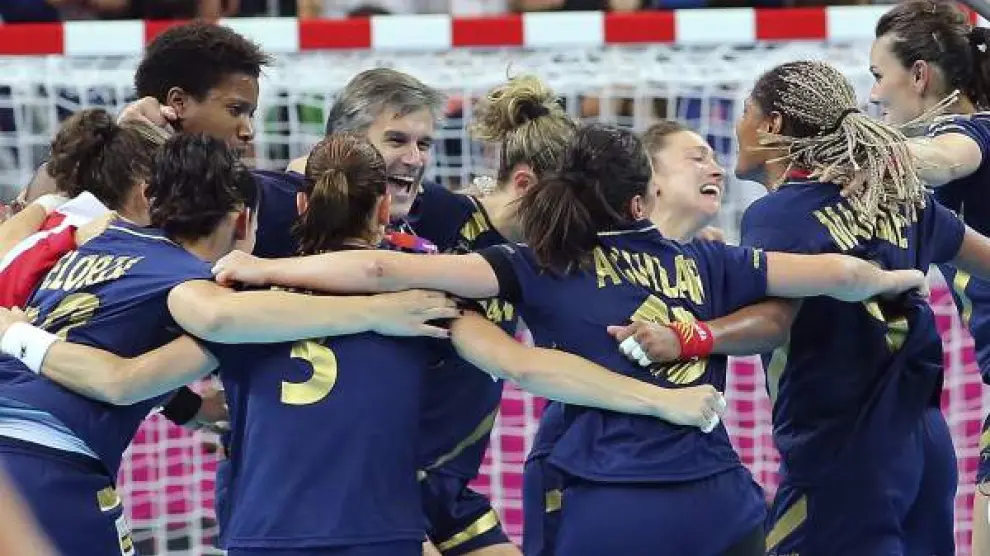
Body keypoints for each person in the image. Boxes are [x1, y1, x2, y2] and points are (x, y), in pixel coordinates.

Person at [211, 122, 929, 555]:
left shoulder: (538, 265)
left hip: (607, 497)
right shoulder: (713, 260)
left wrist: (263, 267)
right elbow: (836, 274)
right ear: (641, 198)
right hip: (721, 499)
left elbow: (379, 268)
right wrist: (900, 278)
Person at [0, 133, 729, 555]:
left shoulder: (242, 306)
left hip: (261, 533)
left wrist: (22, 323)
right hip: (376, 531)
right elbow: (531, 366)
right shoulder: (425, 306)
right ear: (386, 207)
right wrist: (663, 403)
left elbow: (139, 380)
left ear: (300, 205)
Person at [0, 132, 456, 556]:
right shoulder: (191, 282)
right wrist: (375, 311)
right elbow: (128, 377)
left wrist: (192, 409)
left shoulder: (98, 238)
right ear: (243, 220)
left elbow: (108, 333)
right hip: (44, 458)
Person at [868, 2, 990, 552]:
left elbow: (948, 157)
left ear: (919, 75)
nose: (874, 94)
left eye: (879, 75)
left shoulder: (969, 132)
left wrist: (867, 154)